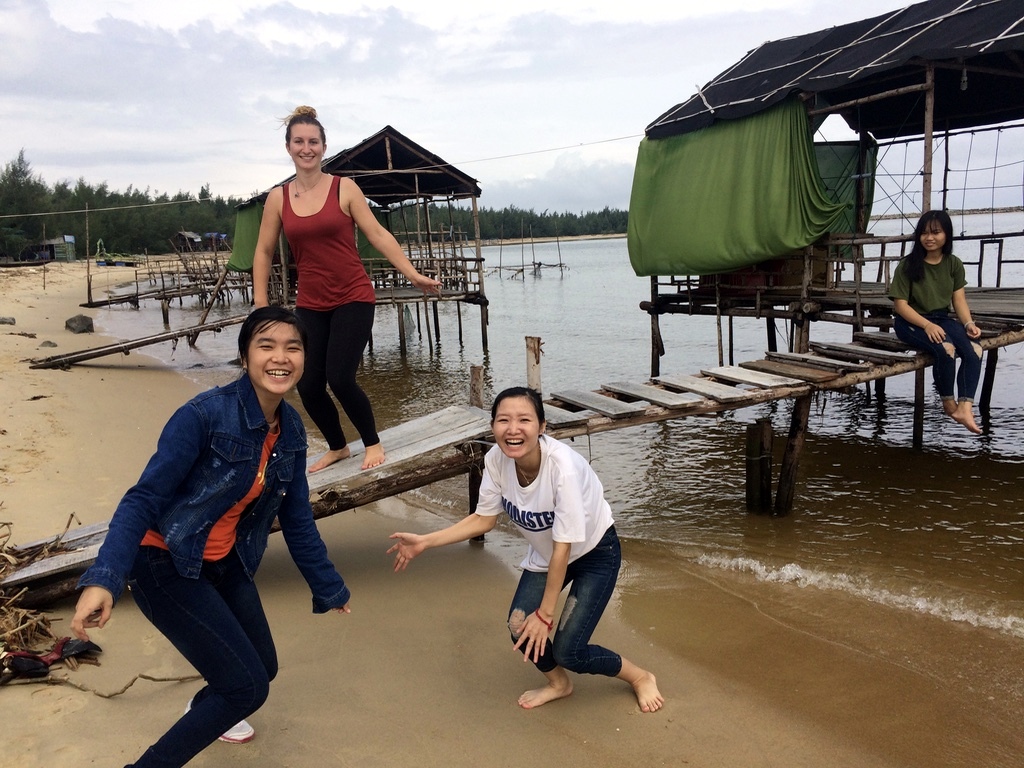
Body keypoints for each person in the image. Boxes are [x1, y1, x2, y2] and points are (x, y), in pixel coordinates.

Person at [71, 307, 352, 768]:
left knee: (262, 669)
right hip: (165, 561)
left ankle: (206, 710)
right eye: (266, 346)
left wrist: (328, 586)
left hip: (224, 560)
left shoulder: (292, 432)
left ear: (305, 358)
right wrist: (105, 577)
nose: (280, 357)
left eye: (293, 347)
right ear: (244, 357)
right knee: (246, 688)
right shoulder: (203, 416)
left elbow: (298, 517)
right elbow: (142, 499)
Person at [387, 386, 664, 713]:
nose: (513, 429)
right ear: (493, 426)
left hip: (594, 555)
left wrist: (545, 615)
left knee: (569, 652)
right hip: (547, 556)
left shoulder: (562, 468)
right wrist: (425, 541)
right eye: (503, 420)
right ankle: (559, 683)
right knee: (518, 626)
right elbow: (483, 519)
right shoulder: (496, 460)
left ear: (542, 426)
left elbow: (564, 548)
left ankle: (640, 677)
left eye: (524, 420)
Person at [252, 105, 441, 472]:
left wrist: (412, 274)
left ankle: (372, 442)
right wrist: (261, 305)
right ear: (288, 147)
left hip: (353, 296)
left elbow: (378, 234)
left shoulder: (344, 188)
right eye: (299, 142)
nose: (306, 148)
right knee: (307, 384)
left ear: (324, 147)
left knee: (340, 377)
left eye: (313, 142)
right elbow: (262, 251)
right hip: (310, 302)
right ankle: (338, 447)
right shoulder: (278, 198)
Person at [889, 209, 983, 434]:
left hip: (941, 317)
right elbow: (900, 305)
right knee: (946, 348)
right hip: (910, 322)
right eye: (924, 233)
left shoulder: (953, 264)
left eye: (935, 232)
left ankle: (965, 407)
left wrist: (968, 323)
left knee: (976, 350)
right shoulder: (907, 265)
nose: (929, 238)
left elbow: (958, 300)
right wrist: (927, 325)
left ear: (946, 235)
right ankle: (948, 403)